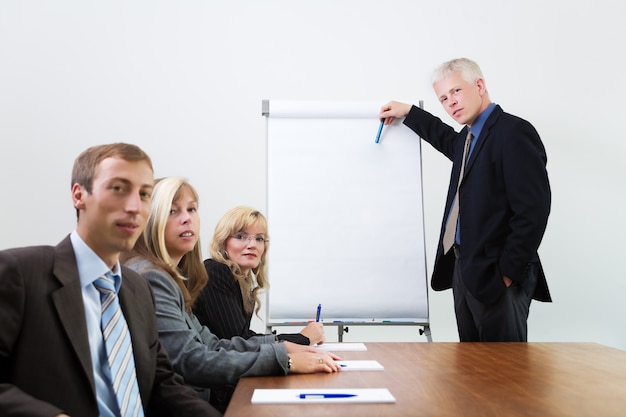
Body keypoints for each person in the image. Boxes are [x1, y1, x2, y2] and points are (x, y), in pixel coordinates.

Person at [0, 143, 221, 417]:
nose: (134, 207)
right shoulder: (21, 272)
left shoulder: (138, 289)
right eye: (119, 189)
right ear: (79, 195)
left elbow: (162, 384)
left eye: (144, 194)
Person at [122, 177, 339, 412]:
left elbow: (212, 344)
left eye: (192, 209)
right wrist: (285, 357)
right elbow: (191, 360)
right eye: (173, 211)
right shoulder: (160, 277)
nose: (187, 218)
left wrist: (283, 348)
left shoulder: (172, 277)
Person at [379, 58, 551, 342]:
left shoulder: (513, 133)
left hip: (497, 274)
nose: (450, 103)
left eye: (456, 91)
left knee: (502, 373)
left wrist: (507, 274)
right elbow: (443, 137)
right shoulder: (468, 138)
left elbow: (533, 210)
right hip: (464, 269)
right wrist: (409, 112)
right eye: (443, 98)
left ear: (479, 86)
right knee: (471, 371)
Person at [193, 206, 324, 346]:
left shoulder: (243, 282)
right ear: (223, 242)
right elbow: (238, 342)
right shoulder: (216, 271)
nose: (252, 245)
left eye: (259, 238)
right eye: (240, 236)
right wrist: (302, 338)